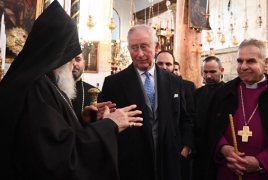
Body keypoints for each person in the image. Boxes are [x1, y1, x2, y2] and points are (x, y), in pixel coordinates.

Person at [0, 1, 143, 179]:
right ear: (57, 55)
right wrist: (109, 125)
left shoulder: (41, 83)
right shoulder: (34, 90)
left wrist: (84, 122)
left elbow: (54, 135)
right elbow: (58, 158)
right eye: (70, 57)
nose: (72, 64)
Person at [101, 24, 194, 180]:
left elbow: (184, 118)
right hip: (132, 162)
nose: (140, 54)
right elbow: (106, 125)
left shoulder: (174, 82)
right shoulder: (114, 83)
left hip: (168, 160)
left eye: (144, 47)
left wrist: (185, 147)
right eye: (134, 48)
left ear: (156, 47)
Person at [204, 39, 268, 180]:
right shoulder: (224, 93)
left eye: (251, 61)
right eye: (240, 61)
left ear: (266, 63)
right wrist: (223, 148)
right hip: (227, 171)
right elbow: (211, 127)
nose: (243, 66)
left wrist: (261, 162)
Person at [155, 50, 196, 180]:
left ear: (173, 66)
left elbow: (187, 117)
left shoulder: (180, 85)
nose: (164, 67)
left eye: (168, 64)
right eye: (160, 63)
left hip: (173, 149)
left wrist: (186, 147)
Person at [192, 56, 224, 180]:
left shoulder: (228, 93)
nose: (208, 76)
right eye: (205, 72)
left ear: (221, 70)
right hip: (199, 150)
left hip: (218, 151)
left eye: (213, 72)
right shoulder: (197, 93)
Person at [72, 52, 104, 125]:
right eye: (70, 60)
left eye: (78, 59)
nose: (74, 64)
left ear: (84, 63)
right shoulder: (54, 90)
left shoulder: (96, 92)